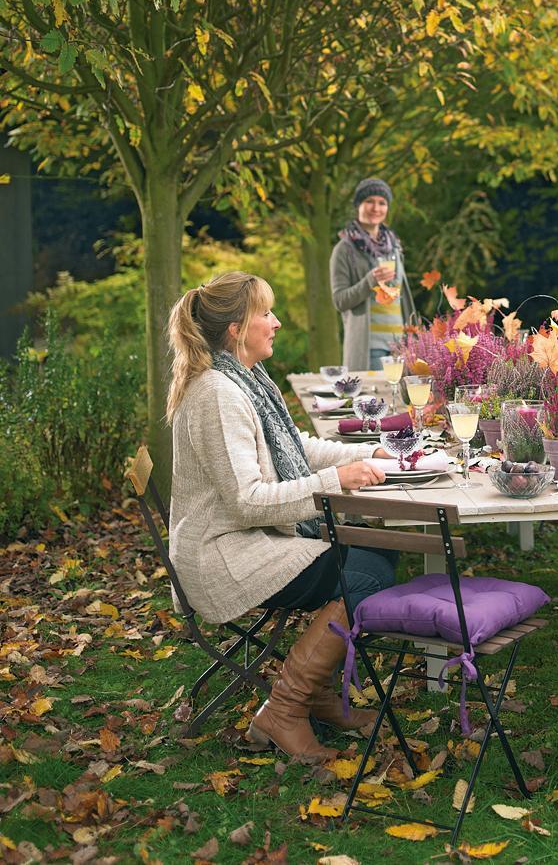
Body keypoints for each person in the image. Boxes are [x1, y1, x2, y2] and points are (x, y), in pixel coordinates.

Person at [167, 271, 398, 760]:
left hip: (246, 538)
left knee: (377, 548)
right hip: (224, 554)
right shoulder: (217, 394)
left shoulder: (245, 379)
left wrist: (367, 458)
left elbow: (295, 448)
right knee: (365, 574)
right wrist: (338, 482)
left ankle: (314, 693)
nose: (275, 323)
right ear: (235, 328)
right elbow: (246, 501)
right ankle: (285, 708)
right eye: (264, 313)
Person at [330, 177, 416, 371]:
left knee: (402, 401)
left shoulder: (394, 247)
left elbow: (401, 298)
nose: (376, 208)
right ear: (358, 205)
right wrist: (370, 281)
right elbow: (339, 300)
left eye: (382, 203)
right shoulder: (344, 249)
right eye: (369, 201)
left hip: (401, 346)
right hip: (369, 347)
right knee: (375, 401)